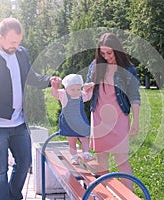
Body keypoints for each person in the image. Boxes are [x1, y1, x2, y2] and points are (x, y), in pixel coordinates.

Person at [0, 18, 53, 200]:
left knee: (24, 163)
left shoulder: (21, 53)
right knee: (0, 169)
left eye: (19, 41)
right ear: (1, 37)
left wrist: (49, 80)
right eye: (13, 41)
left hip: (19, 122)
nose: (17, 45)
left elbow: (31, 77)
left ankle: (14, 196)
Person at [86, 32, 141, 191]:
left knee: (122, 160)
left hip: (119, 119)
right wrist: (87, 87)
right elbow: (88, 93)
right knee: (101, 159)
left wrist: (135, 121)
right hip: (98, 117)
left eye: (109, 53)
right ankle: (104, 195)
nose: (106, 56)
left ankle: (128, 196)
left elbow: (134, 96)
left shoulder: (128, 69)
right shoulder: (95, 66)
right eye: (102, 53)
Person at [51, 74, 95, 164]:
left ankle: (86, 153)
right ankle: (74, 157)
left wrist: (91, 88)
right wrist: (54, 87)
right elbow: (55, 94)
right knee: (72, 140)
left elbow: (88, 96)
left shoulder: (81, 95)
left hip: (80, 120)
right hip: (68, 121)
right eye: (73, 89)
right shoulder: (63, 94)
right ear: (66, 88)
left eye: (78, 89)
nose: (76, 91)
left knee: (84, 138)